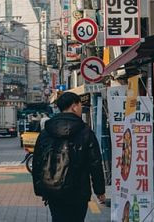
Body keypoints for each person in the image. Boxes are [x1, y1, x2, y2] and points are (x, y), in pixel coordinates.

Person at [32, 92, 106, 222]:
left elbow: (37, 162)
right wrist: (99, 190)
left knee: (58, 218)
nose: (81, 108)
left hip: (53, 189)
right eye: (80, 105)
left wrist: (41, 189)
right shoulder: (85, 132)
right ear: (74, 106)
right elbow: (95, 163)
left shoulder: (46, 133)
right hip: (79, 190)